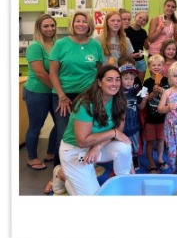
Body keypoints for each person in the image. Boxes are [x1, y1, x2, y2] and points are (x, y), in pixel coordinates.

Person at [53, 65, 133, 195]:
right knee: (94, 197)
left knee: (124, 147)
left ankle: (122, 182)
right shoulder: (85, 103)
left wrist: (98, 146)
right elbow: (82, 142)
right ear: (99, 82)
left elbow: (119, 131)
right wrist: (113, 133)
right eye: (109, 80)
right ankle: (61, 174)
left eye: (117, 79)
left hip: (96, 147)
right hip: (74, 151)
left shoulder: (119, 101)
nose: (114, 83)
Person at [49, 11, 103, 182]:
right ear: (72, 24)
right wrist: (62, 95)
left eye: (84, 21)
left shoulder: (95, 45)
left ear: (89, 25)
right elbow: (52, 73)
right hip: (64, 95)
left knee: (87, 133)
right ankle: (58, 174)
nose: (81, 24)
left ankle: (84, 167)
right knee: (64, 133)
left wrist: (95, 95)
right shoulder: (60, 44)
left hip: (87, 97)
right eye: (77, 21)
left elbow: (98, 72)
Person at [23, 14, 57, 171]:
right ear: (38, 28)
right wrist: (57, 88)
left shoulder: (56, 44)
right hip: (37, 92)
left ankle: (50, 153)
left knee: (60, 123)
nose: (50, 29)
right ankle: (32, 158)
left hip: (52, 91)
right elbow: (40, 73)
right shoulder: (35, 46)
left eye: (52, 25)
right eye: (46, 26)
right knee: (36, 126)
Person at [142, 54, 170, 174]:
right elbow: (143, 100)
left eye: (159, 65)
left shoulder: (167, 81)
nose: (156, 67)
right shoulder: (146, 82)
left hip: (163, 118)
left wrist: (163, 91)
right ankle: (151, 163)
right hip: (150, 117)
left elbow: (171, 97)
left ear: (163, 66)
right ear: (149, 67)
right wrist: (152, 93)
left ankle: (159, 158)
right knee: (150, 141)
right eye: (154, 65)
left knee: (160, 139)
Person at [119, 64, 148, 171]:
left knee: (135, 147)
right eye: (126, 78)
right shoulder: (117, 93)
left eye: (131, 79)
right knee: (124, 147)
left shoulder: (136, 92)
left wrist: (144, 99)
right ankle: (127, 160)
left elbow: (141, 107)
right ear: (119, 78)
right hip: (122, 127)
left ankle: (134, 157)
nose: (129, 81)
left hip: (134, 125)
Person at [124, 11, 149, 83]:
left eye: (144, 20)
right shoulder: (126, 30)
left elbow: (146, 47)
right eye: (140, 17)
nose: (141, 20)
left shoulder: (143, 32)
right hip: (128, 60)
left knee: (139, 83)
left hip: (140, 61)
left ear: (145, 23)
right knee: (128, 82)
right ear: (135, 17)